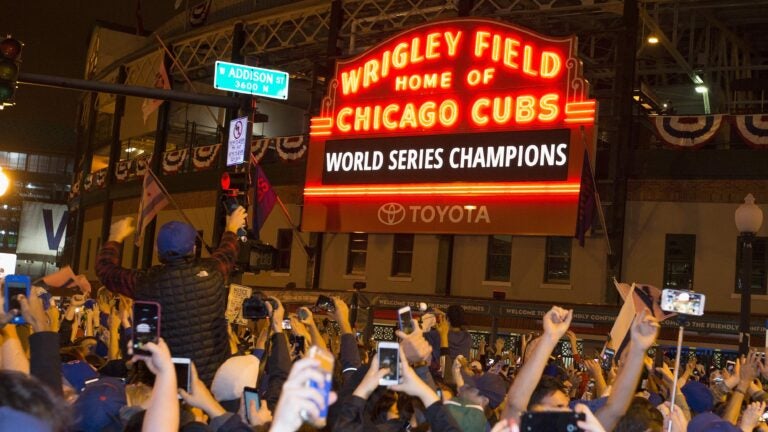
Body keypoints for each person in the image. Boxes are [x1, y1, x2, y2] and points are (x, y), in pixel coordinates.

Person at [95, 207, 246, 385]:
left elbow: (106, 270)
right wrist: (231, 228)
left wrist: (115, 237)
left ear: (157, 250)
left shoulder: (145, 282)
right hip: (210, 381)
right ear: (194, 247)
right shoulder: (213, 272)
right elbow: (227, 252)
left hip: (163, 382)